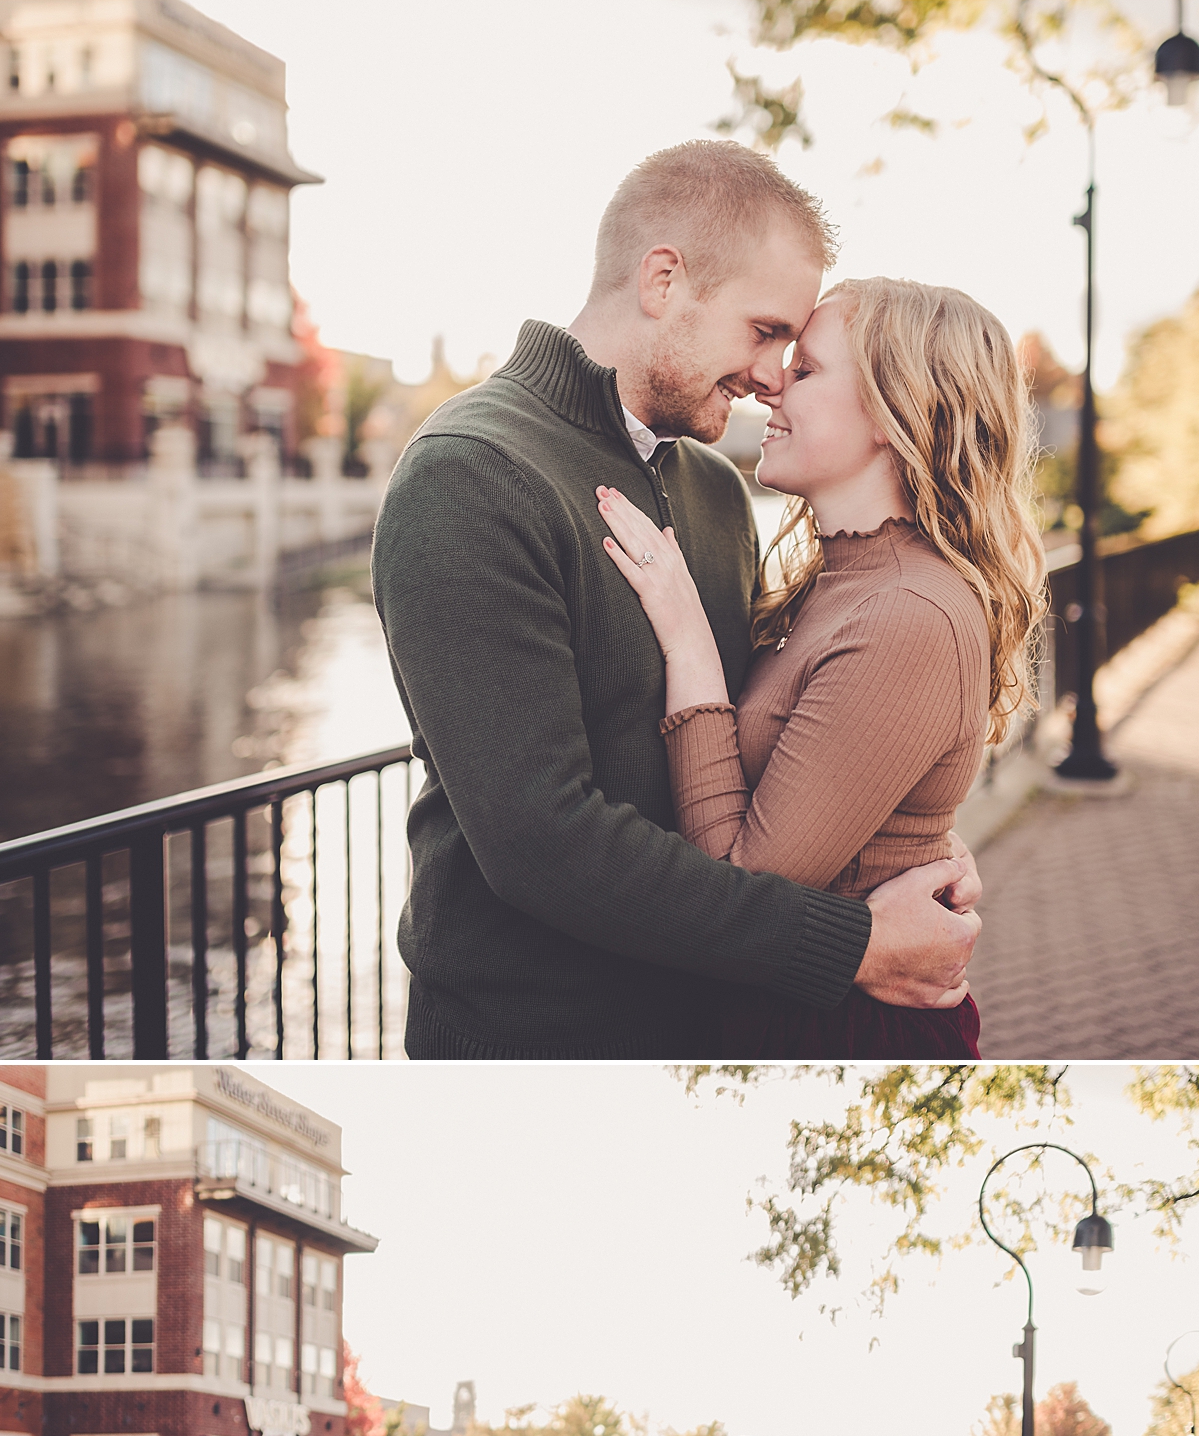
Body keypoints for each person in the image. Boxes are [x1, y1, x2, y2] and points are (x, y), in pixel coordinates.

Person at [373, 140, 983, 1060]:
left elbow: (776, 743)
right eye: (765, 330)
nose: (773, 373)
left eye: (792, 348)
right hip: (536, 1039)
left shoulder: (712, 486)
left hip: (718, 1024)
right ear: (664, 280)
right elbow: (541, 841)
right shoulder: (470, 475)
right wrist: (848, 945)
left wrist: (904, 849)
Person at [593, 273, 1046, 1056]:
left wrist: (689, 642)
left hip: (844, 1034)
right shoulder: (841, 583)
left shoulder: (909, 614)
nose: (771, 387)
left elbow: (743, 889)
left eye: (805, 371)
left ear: (892, 411)